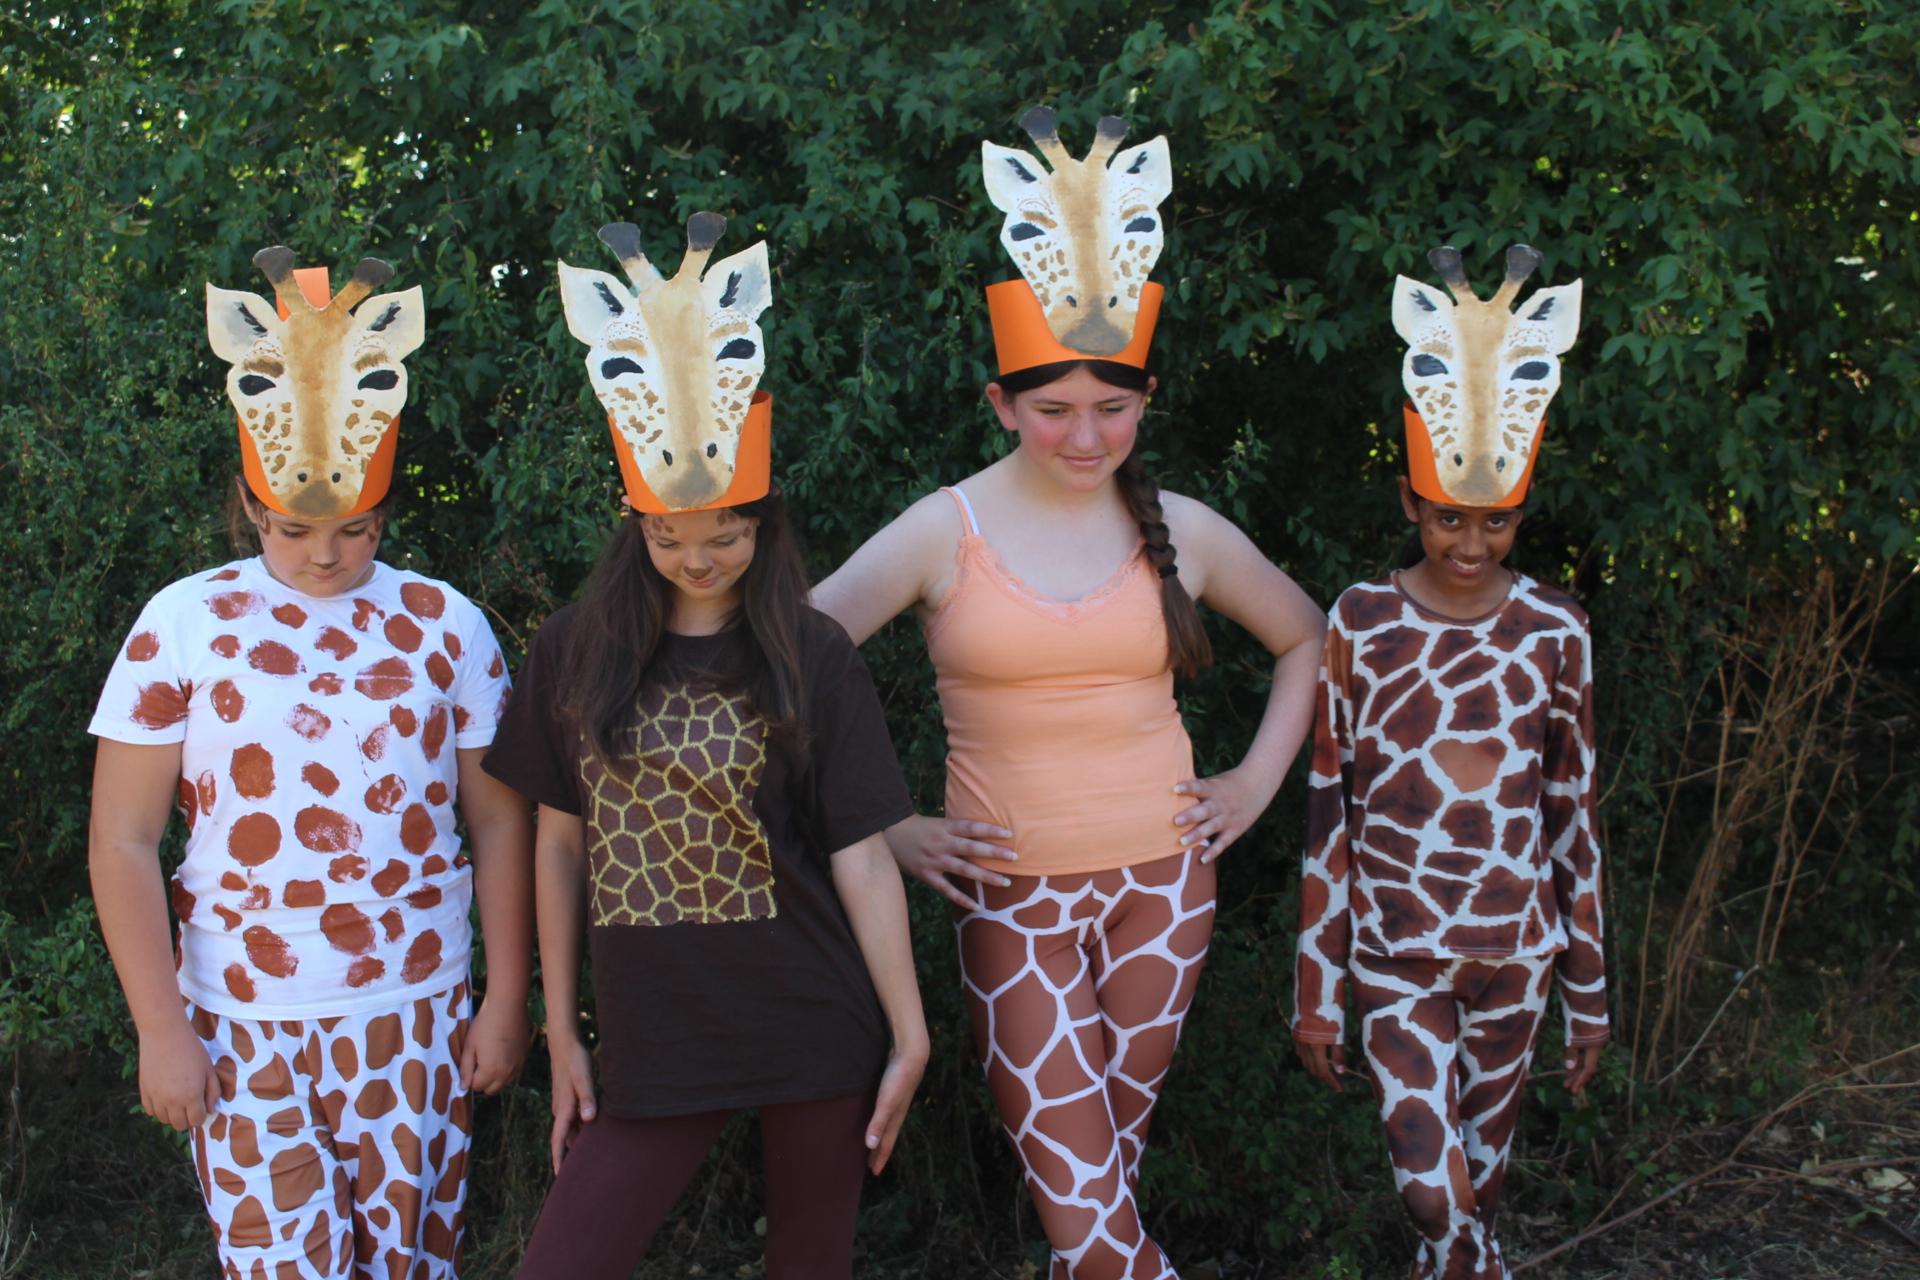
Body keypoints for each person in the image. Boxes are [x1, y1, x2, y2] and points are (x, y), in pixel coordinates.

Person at [812, 107, 1326, 1279]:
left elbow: (1308, 636)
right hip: (1014, 902)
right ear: (1001, 401)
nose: (1086, 435)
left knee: (1099, 1197)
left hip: (1168, 891)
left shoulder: (1183, 527)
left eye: (1114, 407)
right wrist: (890, 826)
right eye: (1053, 409)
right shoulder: (944, 528)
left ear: (1147, 398)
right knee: (1091, 1224)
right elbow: (793, 658)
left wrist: (1254, 781)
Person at [490, 213, 927, 1279]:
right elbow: (559, 844)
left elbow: (862, 855)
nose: (698, 557)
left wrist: (910, 1032)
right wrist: (562, 1030)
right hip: (653, 1039)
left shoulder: (811, 653)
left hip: (811, 1020)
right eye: (669, 536)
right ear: (634, 523)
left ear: (764, 524)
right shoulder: (574, 650)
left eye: (726, 534)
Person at [88, 249, 533, 1278]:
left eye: (355, 529)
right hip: (240, 1025)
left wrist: (505, 997)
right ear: (252, 506)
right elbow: (122, 838)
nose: (325, 555)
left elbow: (500, 821)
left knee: (408, 1263)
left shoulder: (446, 625)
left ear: (386, 509)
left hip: (416, 1013)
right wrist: (161, 1028)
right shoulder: (183, 623)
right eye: (293, 530)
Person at [1292, 245, 1608, 1280]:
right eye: (1447, 517)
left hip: (1519, 953)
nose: (1471, 544)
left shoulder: (1556, 628)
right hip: (1395, 951)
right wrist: (1316, 988)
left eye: (1497, 520)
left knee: (1484, 1184)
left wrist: (1590, 993)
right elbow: (1329, 809)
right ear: (1408, 500)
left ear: (1523, 509)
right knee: (1434, 1193)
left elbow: (1573, 816)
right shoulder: (1361, 621)